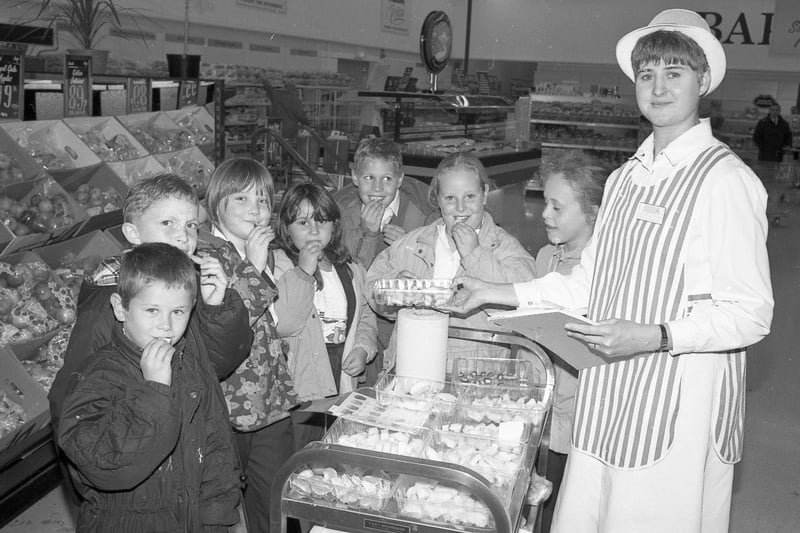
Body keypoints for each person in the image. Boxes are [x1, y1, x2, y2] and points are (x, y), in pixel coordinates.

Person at [447, 9, 773, 533]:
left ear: (703, 81)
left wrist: (657, 336)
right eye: (647, 75)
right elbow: (588, 284)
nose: (659, 87)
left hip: (677, 404)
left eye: (675, 73)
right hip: (609, 394)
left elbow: (751, 314)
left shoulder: (725, 181)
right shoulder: (623, 181)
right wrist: (494, 290)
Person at [58, 243, 242, 532]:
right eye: (152, 310)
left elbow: (214, 443)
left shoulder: (188, 364)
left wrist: (216, 516)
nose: (166, 326)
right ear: (121, 308)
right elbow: (103, 467)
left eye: (178, 312)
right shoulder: (99, 375)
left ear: (192, 308)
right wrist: (154, 390)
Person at [49, 173, 253, 434]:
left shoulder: (186, 287)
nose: (183, 236)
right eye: (167, 222)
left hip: (188, 436)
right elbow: (75, 398)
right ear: (133, 233)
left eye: (191, 225)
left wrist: (216, 309)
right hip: (132, 442)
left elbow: (215, 367)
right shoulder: (112, 303)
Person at [367, 151, 537, 370]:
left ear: (484, 194)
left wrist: (475, 254)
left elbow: (523, 303)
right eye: (450, 198)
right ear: (437, 199)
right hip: (412, 368)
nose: (460, 208)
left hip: (473, 377)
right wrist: (393, 290)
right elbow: (372, 286)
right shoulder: (413, 243)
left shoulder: (505, 248)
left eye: (469, 197)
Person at [203, 157, 299, 533]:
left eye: (262, 200)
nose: (255, 209)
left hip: (270, 400)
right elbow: (225, 322)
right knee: (224, 503)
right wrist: (253, 267)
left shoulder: (262, 250)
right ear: (216, 203)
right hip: (227, 404)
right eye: (240, 199)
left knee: (276, 495)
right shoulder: (206, 252)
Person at [533, 150, 608, 533]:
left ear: (592, 214)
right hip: (543, 414)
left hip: (584, 420)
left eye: (556, 207)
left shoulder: (610, 272)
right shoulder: (546, 256)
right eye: (546, 202)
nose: (545, 214)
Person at [273, 181, 378, 446]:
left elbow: (365, 315)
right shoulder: (278, 266)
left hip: (340, 371)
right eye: (302, 223)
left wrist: (363, 348)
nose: (314, 231)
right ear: (286, 229)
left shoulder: (351, 268)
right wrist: (304, 272)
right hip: (299, 379)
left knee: (332, 448)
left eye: (321, 221)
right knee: (298, 451)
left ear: (334, 226)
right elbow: (284, 323)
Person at [334, 137, 435, 383]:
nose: (377, 188)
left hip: (404, 323)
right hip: (361, 322)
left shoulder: (422, 213)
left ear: (399, 180)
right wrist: (367, 234)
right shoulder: (342, 214)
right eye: (369, 178)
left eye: (387, 179)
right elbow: (347, 277)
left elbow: (435, 273)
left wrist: (410, 244)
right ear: (355, 178)